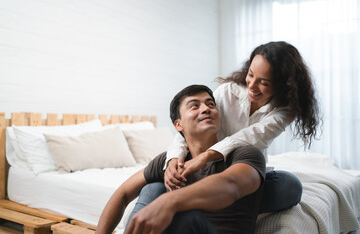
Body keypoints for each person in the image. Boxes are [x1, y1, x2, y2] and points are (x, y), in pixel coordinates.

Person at [136, 41, 320, 215]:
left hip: (242, 175)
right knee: (153, 188)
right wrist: (174, 159)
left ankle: (203, 204)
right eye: (250, 75)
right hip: (205, 172)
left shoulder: (285, 111)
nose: (252, 86)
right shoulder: (228, 92)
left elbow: (249, 137)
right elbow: (187, 129)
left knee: (289, 186)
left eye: (263, 82)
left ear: (283, 86)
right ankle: (212, 204)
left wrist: (204, 157)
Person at [96, 85, 266, 234]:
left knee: (185, 217)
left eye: (210, 104)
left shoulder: (245, 153)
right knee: (153, 188)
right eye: (194, 106)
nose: (206, 109)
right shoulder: (170, 161)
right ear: (178, 124)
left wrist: (169, 201)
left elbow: (230, 185)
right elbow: (123, 193)